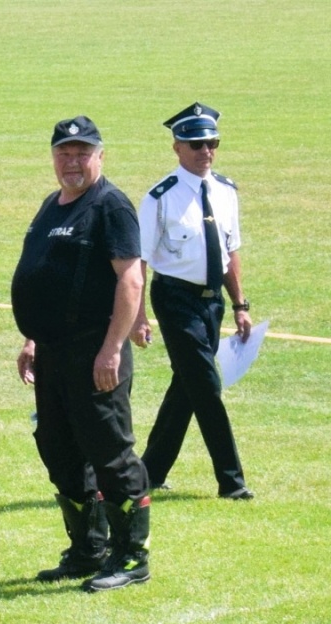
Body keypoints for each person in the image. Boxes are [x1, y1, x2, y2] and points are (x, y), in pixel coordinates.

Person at [12, 116, 153, 592]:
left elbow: (131, 279)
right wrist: (32, 338)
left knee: (110, 453)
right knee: (59, 450)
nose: (72, 162)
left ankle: (131, 557)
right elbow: (42, 274)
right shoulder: (51, 205)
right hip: (53, 354)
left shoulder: (110, 206)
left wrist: (112, 349)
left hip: (94, 352)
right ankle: (87, 549)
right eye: (64, 153)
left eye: (82, 153)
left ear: (100, 156)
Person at [133, 103, 255, 500]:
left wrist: (239, 305)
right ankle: (232, 481)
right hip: (175, 299)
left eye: (212, 143)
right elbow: (139, 261)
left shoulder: (225, 191)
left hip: (212, 302)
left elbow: (230, 251)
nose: (206, 151)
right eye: (196, 144)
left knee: (186, 385)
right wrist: (138, 316)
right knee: (206, 385)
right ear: (177, 148)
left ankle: (150, 470)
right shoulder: (160, 197)